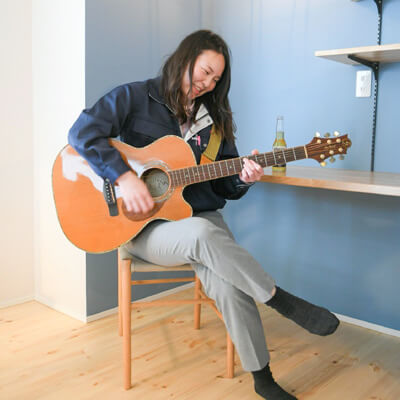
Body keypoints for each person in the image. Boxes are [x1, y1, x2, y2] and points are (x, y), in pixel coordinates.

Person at [68, 30, 339, 400]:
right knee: (202, 233)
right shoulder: (134, 97)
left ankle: (263, 380)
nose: (209, 83)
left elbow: (225, 187)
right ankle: (279, 299)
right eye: (205, 72)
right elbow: (82, 133)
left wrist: (244, 178)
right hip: (142, 228)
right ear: (186, 58)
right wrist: (124, 178)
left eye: (216, 78)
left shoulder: (216, 121)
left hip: (199, 219)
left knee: (228, 281)